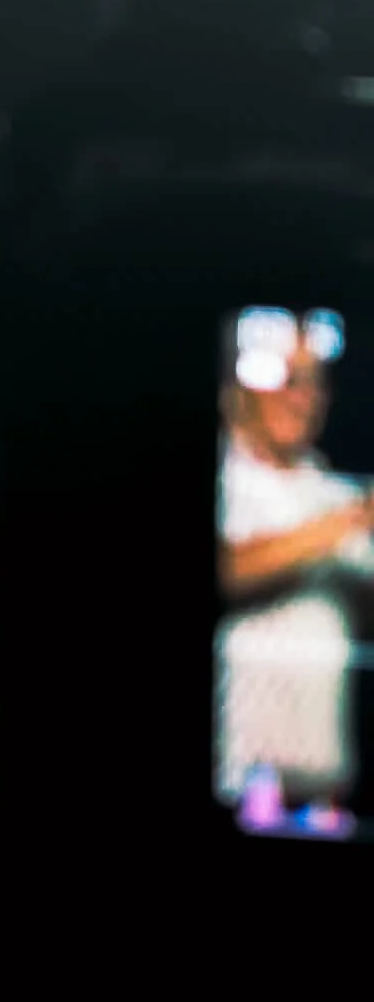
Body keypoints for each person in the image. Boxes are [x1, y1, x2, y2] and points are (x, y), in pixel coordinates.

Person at [216, 310, 371, 835]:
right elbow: (226, 572)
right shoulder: (225, 477)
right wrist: (343, 525)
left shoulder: (333, 490)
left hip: (323, 795)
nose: (302, 398)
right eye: (286, 379)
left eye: (313, 383)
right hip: (238, 786)